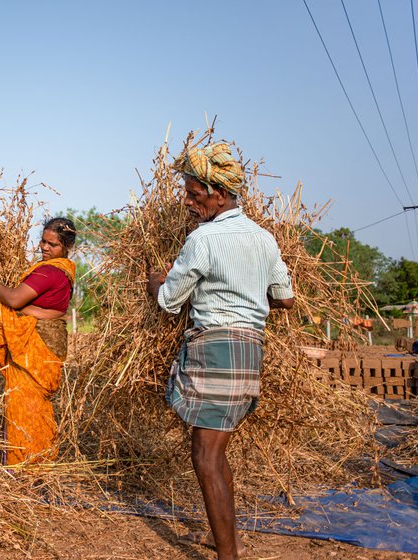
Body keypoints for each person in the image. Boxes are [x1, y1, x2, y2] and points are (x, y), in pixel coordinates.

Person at [147, 142, 294, 560]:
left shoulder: (203, 239)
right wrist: (250, 284)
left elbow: (170, 302)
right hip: (251, 351)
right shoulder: (264, 239)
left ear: (220, 194)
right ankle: (223, 537)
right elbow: (285, 300)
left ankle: (228, 554)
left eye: (195, 195)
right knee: (214, 449)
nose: (189, 203)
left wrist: (155, 282)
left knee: (205, 454)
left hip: (216, 347)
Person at [0, 217, 76, 465]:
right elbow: (51, 309)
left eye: (52, 244)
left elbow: (13, 299)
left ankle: (23, 466)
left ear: (65, 248)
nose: (44, 247)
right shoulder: (64, 272)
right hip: (52, 343)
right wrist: (33, 311)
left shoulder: (50, 271)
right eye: (42, 241)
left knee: (24, 404)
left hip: (37, 345)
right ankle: (38, 462)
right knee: (35, 405)